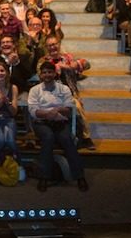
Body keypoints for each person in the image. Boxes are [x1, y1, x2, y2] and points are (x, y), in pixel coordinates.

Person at [27, 61, 88, 192]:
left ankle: (79, 176)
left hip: (60, 121)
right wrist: (49, 113)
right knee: (48, 138)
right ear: (40, 75)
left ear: (55, 73)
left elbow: (68, 109)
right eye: (44, 73)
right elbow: (33, 111)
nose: (47, 75)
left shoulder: (64, 89)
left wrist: (56, 112)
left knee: (67, 140)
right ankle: (44, 177)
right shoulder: (34, 90)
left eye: (50, 72)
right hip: (42, 122)